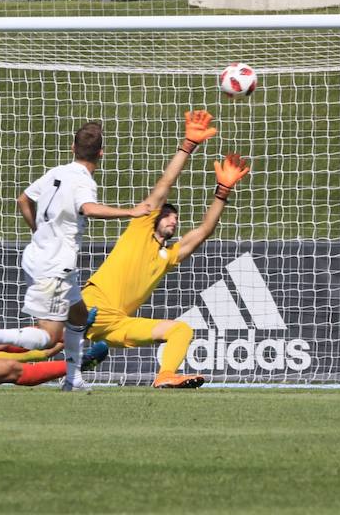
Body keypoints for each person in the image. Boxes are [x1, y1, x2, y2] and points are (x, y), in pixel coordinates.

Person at [81, 111, 250, 389]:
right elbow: (165, 185)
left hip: (119, 324)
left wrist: (222, 191)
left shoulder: (169, 256)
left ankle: (166, 375)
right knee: (44, 343)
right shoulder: (140, 226)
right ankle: (9, 356)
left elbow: (204, 231)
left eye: (176, 218)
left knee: (181, 330)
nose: (174, 220)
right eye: (168, 215)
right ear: (155, 217)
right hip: (92, 307)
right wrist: (188, 145)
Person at [0, 121, 150, 391]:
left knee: (79, 317)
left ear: (72, 148)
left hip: (38, 255)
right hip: (55, 264)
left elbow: (23, 199)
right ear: (101, 153)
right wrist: (130, 212)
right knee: (49, 336)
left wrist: (38, 231)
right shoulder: (84, 182)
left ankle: (73, 379)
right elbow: (89, 208)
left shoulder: (57, 171)